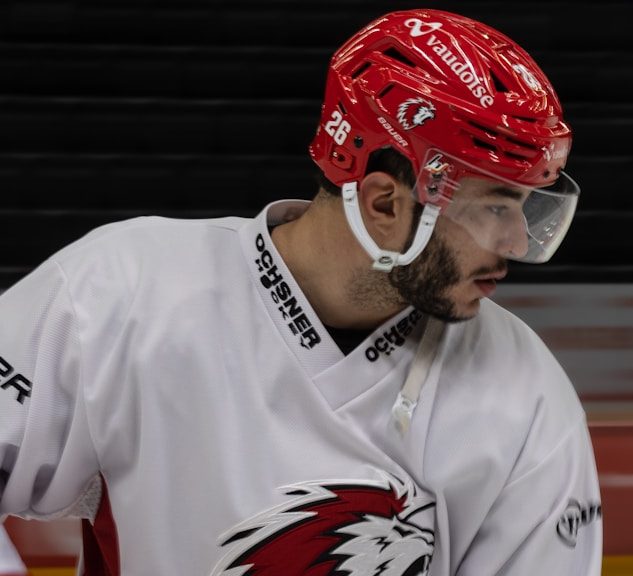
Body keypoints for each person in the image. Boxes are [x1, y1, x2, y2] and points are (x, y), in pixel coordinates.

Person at [0, 8, 602, 575]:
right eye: (495, 206)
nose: (519, 243)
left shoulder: (528, 393)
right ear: (384, 203)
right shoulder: (119, 293)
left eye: (524, 208)